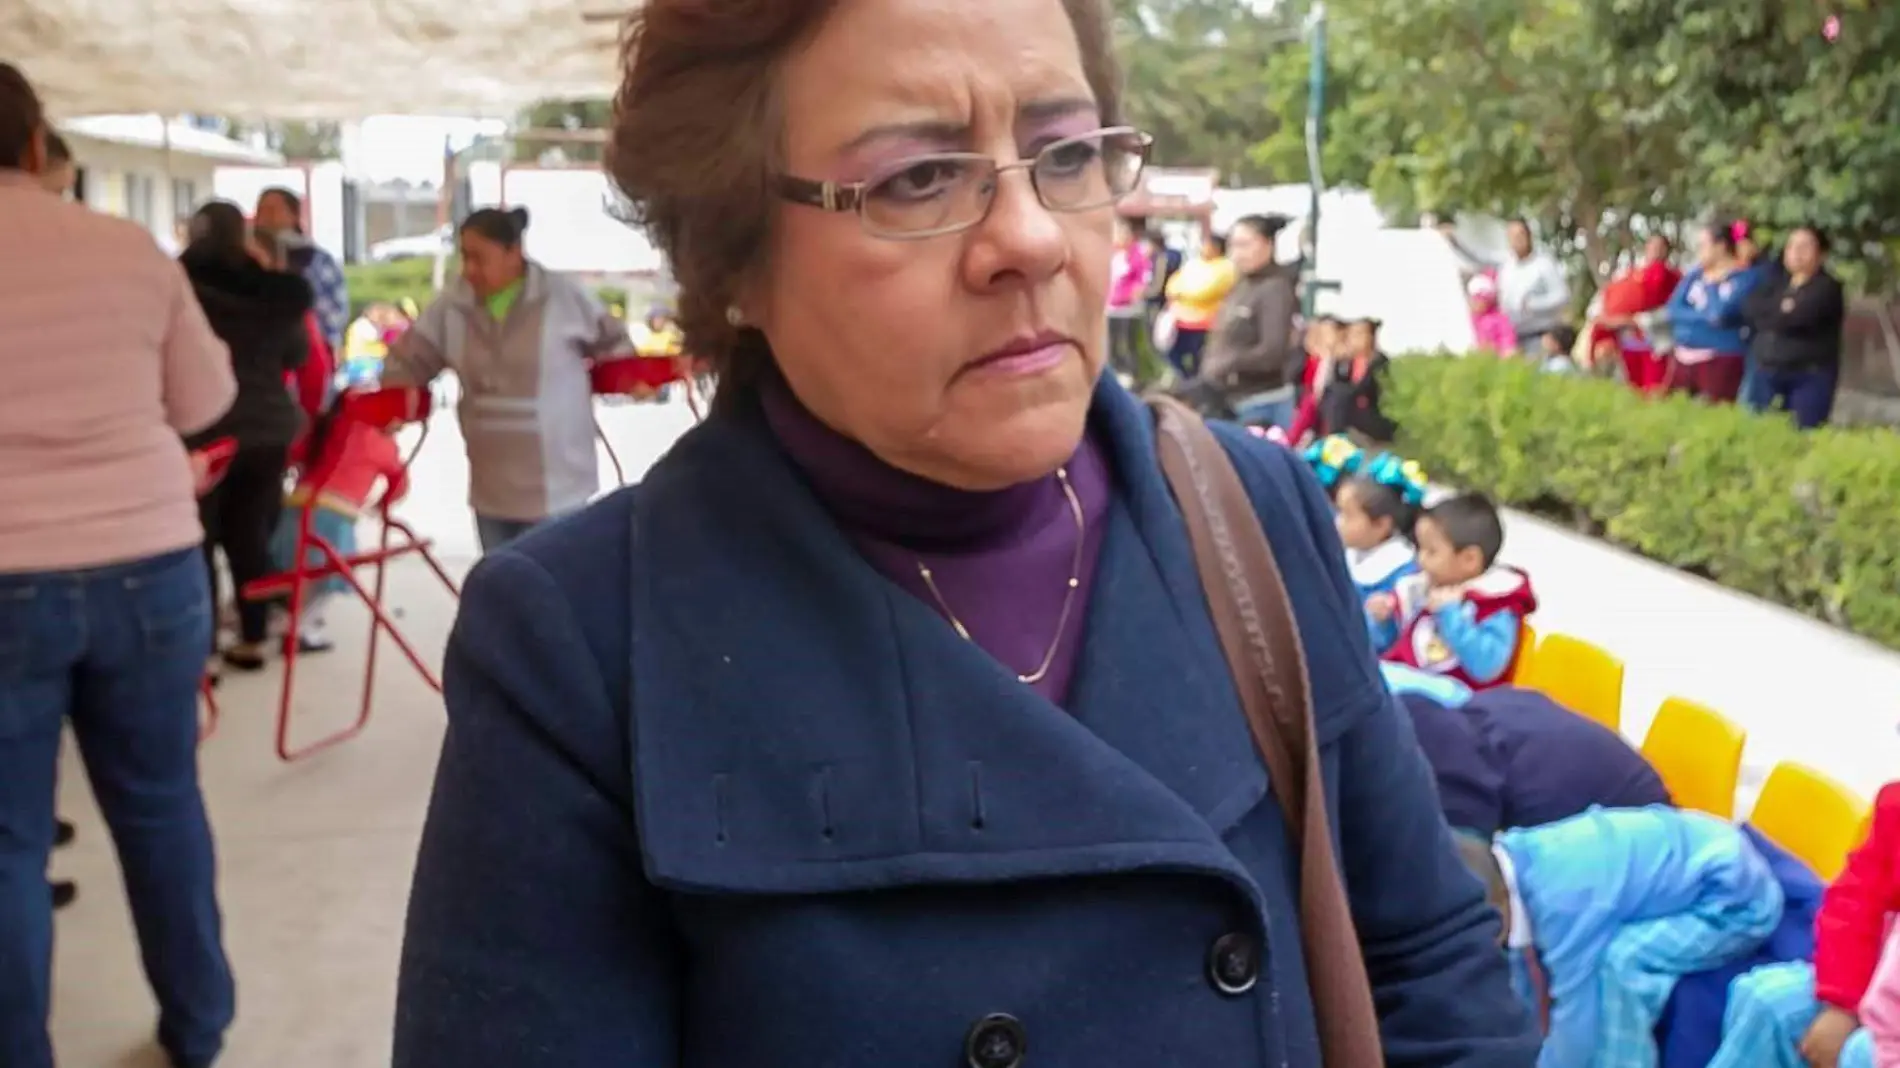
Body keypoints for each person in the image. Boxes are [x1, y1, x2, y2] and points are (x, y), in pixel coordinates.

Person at [390, 1, 1542, 1064]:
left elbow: (1429, 969)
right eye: (918, 178)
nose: (1031, 239)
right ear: (730, 256)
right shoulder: (580, 649)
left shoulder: (1254, 517)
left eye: (1068, 154)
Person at [0, 62, 237, 1068]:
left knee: (7, 843)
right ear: (39, 148)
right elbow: (204, 401)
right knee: (159, 804)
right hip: (148, 560)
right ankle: (198, 1027)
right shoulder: (127, 247)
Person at [378, 207, 631, 553]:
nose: (469, 270)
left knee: (554, 594)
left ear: (515, 252)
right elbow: (407, 362)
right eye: (465, 258)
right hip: (490, 487)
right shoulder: (451, 306)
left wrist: (633, 379)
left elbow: (617, 348)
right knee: (502, 592)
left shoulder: (562, 297)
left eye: (480, 258)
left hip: (559, 487)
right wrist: (394, 401)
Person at [1457, 807, 1785, 1068]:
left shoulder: (1563, 903)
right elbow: (1523, 977)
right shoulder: (1514, 856)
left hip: (1734, 899)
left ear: (1497, 919)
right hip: (1696, 853)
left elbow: (1579, 1020)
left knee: (1620, 966)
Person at [179, 201, 315, 670]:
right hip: (268, 428)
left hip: (205, 430)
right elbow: (297, 354)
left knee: (200, 538)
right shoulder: (272, 291)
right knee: (252, 534)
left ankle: (205, 651)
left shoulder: (181, 287)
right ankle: (256, 636)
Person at [1706, 780, 1900, 1068]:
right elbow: (1854, 899)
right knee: (1765, 1000)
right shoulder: (1895, 805)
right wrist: (1842, 1003)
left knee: (1860, 1053)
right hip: (1880, 981)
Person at [1394, 687, 1672, 838]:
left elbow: (1468, 874)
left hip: (1644, 830)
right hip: (1631, 790)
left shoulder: (1461, 781)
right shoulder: (1425, 714)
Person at [267, 400, 409, 653]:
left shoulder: (326, 426)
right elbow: (399, 485)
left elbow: (294, 454)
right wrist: (379, 506)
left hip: (297, 505)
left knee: (294, 572)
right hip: (335, 514)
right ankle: (301, 630)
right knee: (327, 578)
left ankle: (277, 619)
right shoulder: (380, 443)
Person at [1371, 492, 1537, 691]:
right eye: (1419, 548)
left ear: (1469, 559)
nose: (1420, 560)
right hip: (1408, 684)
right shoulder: (1423, 586)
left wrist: (1451, 614)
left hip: (1459, 701)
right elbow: (1394, 645)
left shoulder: (1496, 604)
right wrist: (1384, 621)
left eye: (1431, 551)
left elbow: (1487, 667)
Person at [1188, 213, 1300, 430]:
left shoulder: (1275, 288)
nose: (1237, 254)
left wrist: (1229, 362)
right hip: (1228, 399)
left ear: (1267, 245)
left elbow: (1273, 352)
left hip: (1259, 403)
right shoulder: (1241, 284)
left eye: (1244, 245)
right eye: (1233, 246)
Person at [1743, 224, 1845, 429]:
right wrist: (1780, 310)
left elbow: (1799, 318)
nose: (1796, 253)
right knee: (1762, 433)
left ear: (1821, 254)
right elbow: (1750, 308)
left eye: (1804, 247)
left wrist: (1775, 314)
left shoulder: (1827, 287)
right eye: (1791, 246)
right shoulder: (1776, 282)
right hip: (1768, 371)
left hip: (1808, 376)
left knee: (1802, 434)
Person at [1663, 222, 1759, 404]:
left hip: (1720, 358)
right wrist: (1703, 317)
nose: (1699, 251)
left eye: (1703, 245)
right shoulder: (1695, 275)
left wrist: (1713, 285)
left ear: (1720, 246)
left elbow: (1719, 313)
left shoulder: (1744, 278)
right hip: (1683, 356)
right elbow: (1673, 310)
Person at [253, 186, 349, 355]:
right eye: (261, 210)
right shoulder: (247, 261)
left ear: (294, 216)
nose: (265, 217)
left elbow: (336, 313)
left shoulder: (319, 261)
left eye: (272, 210)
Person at [1587, 234, 1679, 392]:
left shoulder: (1675, 279)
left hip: (1656, 345)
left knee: (1655, 393)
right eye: (1652, 245)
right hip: (1627, 345)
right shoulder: (1629, 275)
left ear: (1667, 251)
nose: (1655, 250)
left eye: (1660, 247)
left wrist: (1634, 320)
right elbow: (1603, 300)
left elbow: (1674, 311)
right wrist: (1606, 319)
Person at [1333, 454, 1424, 615]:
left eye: (1348, 516)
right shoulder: (1346, 551)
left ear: (1381, 525)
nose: (1338, 521)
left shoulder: (1401, 575)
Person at [1161, 229, 1235, 376]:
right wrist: (1178, 292)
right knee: (1170, 352)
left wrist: (1183, 293)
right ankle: (1187, 379)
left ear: (1217, 247)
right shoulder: (1194, 264)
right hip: (1182, 319)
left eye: (1207, 245)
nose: (1203, 248)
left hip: (1205, 322)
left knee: (1198, 357)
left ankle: (1197, 384)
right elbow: (1174, 283)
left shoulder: (1225, 267)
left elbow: (1205, 291)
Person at [1317, 315, 1398, 444]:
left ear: (1370, 337)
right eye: (1352, 335)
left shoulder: (1378, 362)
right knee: (1333, 394)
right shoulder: (1347, 362)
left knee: (1340, 395)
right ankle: (1332, 437)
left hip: (1371, 413)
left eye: (1359, 335)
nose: (1354, 340)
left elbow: (1369, 390)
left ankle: (1335, 438)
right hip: (1350, 412)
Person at [1496, 219, 1571, 351]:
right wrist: (1454, 242)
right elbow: (1479, 257)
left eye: (1520, 235)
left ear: (1529, 236)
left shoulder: (1544, 264)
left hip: (1541, 335)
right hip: (1514, 338)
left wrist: (1534, 305)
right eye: (1512, 237)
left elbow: (1562, 296)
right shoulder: (1507, 266)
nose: (1516, 240)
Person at [1104, 218, 1151, 380]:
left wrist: (1134, 294)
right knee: (1111, 342)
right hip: (1110, 307)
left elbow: (1142, 279)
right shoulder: (1113, 254)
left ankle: (1132, 374)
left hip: (1128, 309)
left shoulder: (1137, 255)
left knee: (1128, 343)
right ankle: (1115, 371)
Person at [1468, 273, 1519, 356]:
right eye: (1474, 299)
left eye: (1481, 299)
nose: (1477, 303)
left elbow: (1509, 347)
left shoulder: (1500, 319)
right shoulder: (1468, 319)